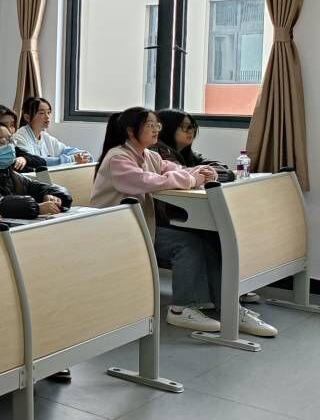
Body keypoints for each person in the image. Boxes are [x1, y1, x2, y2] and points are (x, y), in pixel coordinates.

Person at [89, 107, 275, 337]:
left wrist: (204, 172)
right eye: (150, 125)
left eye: (157, 125)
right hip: (114, 232)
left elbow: (177, 170)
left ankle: (227, 306)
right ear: (130, 130)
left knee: (205, 238)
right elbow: (150, 181)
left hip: (140, 227)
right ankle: (181, 308)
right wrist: (192, 179)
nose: (156, 130)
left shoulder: (150, 156)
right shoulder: (118, 158)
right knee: (186, 245)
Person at [0, 120, 69, 220]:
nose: (9, 146)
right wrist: (36, 208)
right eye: (1, 142)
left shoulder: (9, 174)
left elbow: (46, 188)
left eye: (10, 141)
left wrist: (50, 195)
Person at [153, 110, 233, 182]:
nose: (191, 131)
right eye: (185, 127)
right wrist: (208, 174)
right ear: (168, 128)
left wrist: (211, 174)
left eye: (192, 126)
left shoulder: (188, 153)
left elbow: (221, 167)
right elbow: (182, 175)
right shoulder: (159, 151)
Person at [14, 97, 92, 166]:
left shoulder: (46, 137)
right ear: (27, 117)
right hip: (31, 176)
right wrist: (71, 159)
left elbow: (66, 150)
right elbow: (34, 161)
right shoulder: (20, 137)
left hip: (43, 175)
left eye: (48, 112)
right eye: (42, 113)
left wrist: (83, 155)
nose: (47, 116)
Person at [0, 104, 44, 171]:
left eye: (12, 124)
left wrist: (24, 159)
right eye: (4, 125)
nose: (9, 130)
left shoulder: (10, 147)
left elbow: (41, 161)